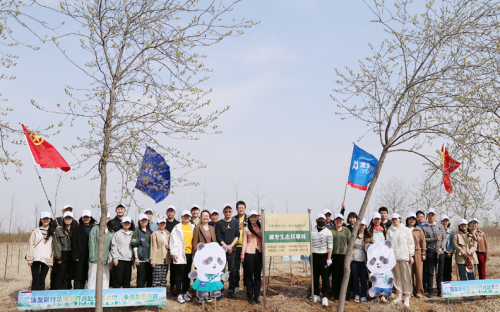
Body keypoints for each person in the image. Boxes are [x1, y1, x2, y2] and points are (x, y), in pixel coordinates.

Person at [386, 213, 414, 307]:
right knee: (396, 276)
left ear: (400, 219)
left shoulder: (405, 230)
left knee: (406, 276)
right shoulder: (389, 231)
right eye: (393, 219)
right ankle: (399, 295)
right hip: (394, 258)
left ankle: (407, 296)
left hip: (404, 256)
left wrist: (411, 255)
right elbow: (387, 245)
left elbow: (410, 243)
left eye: (396, 219)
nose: (394, 221)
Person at [215, 204, 240, 300]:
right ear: (223, 212)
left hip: (233, 251)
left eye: (229, 211)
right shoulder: (220, 223)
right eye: (226, 211)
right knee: (221, 272)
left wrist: (231, 246)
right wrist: (226, 247)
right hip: (222, 252)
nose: (227, 213)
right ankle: (221, 292)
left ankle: (231, 292)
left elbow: (237, 235)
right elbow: (218, 237)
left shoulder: (235, 222)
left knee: (232, 272)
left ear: (232, 212)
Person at [170, 210, 195, 304]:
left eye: (188, 216)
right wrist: (174, 253)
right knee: (179, 274)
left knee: (187, 274)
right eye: (184, 216)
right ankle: (179, 294)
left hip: (189, 254)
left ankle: (185, 292)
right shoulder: (177, 227)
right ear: (181, 217)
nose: (186, 217)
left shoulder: (193, 227)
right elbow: (173, 241)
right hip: (180, 253)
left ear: (190, 217)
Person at [27, 212, 56, 290]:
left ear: (50, 219)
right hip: (35, 257)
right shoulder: (36, 231)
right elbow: (31, 245)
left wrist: (51, 260)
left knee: (42, 280)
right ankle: (34, 297)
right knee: (35, 279)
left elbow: (53, 248)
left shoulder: (53, 232)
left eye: (47, 218)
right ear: (41, 220)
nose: (45, 220)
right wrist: (29, 259)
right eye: (44, 218)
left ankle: (41, 298)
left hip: (46, 258)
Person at [421, 208, 446, 297]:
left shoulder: (440, 226)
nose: (431, 216)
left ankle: (440, 290)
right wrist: (433, 239)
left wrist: (441, 248)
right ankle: (430, 290)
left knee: (440, 272)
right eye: (429, 215)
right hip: (430, 252)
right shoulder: (424, 227)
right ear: (427, 216)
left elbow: (444, 238)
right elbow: (424, 240)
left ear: (435, 216)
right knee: (430, 272)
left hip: (440, 252)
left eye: (433, 215)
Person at [241, 210, 265, 305]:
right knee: (249, 275)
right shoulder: (246, 229)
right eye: (252, 217)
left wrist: (261, 218)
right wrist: (242, 255)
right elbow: (244, 242)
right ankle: (250, 296)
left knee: (258, 275)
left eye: (255, 217)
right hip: (249, 253)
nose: (253, 219)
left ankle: (257, 296)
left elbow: (265, 231)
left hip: (259, 252)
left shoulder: (261, 227)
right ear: (249, 218)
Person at [87, 212, 114, 289]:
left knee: (105, 278)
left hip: (106, 260)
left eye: (107, 218)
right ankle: (91, 295)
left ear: (109, 219)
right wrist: (92, 257)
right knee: (93, 277)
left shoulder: (111, 231)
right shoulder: (95, 229)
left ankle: (104, 294)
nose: (105, 219)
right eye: (102, 218)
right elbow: (92, 244)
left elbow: (112, 246)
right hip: (95, 259)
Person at [454, 218, 478, 300]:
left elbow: (475, 245)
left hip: (472, 258)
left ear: (467, 225)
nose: (463, 226)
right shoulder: (456, 234)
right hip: (461, 258)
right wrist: (464, 253)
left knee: (472, 275)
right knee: (463, 276)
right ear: (459, 226)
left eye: (465, 224)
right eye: (462, 225)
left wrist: (469, 253)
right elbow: (456, 245)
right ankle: (465, 293)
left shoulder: (472, 234)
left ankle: (472, 294)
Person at [329, 213, 351, 301]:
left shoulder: (346, 230)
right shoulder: (331, 230)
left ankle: (346, 295)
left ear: (343, 221)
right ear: (334, 221)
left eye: (340, 220)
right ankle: (336, 294)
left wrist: (351, 255)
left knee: (345, 275)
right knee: (335, 276)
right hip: (334, 256)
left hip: (344, 256)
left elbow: (350, 244)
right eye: (337, 220)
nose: (339, 221)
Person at [72, 210, 95, 289]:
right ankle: (78, 294)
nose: (86, 219)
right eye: (84, 217)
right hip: (80, 257)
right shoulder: (77, 229)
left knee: (90, 275)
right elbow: (74, 242)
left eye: (87, 217)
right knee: (79, 276)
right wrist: (75, 256)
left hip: (91, 256)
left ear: (90, 218)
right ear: (82, 218)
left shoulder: (94, 228)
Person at [52, 211, 76, 290]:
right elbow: (57, 244)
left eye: (69, 218)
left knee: (68, 275)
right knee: (60, 275)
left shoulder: (75, 229)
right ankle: (58, 292)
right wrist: (58, 257)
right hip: (62, 254)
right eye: (66, 218)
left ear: (72, 219)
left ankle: (67, 292)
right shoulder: (59, 230)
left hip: (71, 255)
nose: (68, 220)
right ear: (63, 219)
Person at [110, 216, 134, 288]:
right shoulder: (117, 233)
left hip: (129, 260)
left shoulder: (133, 234)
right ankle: (116, 296)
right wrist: (115, 258)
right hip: (119, 259)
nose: (127, 224)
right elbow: (113, 246)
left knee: (127, 280)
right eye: (125, 222)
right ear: (121, 223)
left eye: (128, 222)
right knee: (118, 279)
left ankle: (126, 297)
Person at [406, 212, 426, 298]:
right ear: (407, 220)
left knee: (418, 273)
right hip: (407, 253)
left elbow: (423, 242)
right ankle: (409, 291)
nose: (411, 220)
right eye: (410, 219)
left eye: (413, 219)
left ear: (415, 220)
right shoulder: (404, 229)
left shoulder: (419, 229)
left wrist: (423, 253)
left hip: (417, 252)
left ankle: (419, 291)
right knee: (409, 273)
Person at [351, 218, 371, 303]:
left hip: (364, 260)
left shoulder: (368, 236)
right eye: (360, 224)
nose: (361, 226)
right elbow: (350, 247)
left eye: (363, 225)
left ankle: (363, 295)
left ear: (365, 226)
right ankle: (356, 294)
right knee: (355, 278)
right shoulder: (353, 235)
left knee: (363, 279)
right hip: (354, 258)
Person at [131, 214, 153, 288]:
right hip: (140, 259)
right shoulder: (137, 232)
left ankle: (149, 294)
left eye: (145, 220)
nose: (144, 222)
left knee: (149, 277)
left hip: (149, 259)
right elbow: (134, 245)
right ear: (139, 221)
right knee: (141, 277)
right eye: (142, 220)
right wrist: (136, 257)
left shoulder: (150, 232)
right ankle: (140, 293)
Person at [151, 218, 171, 288]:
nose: (162, 224)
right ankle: (155, 294)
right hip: (158, 259)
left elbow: (172, 245)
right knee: (156, 278)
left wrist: (169, 246)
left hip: (166, 259)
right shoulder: (155, 234)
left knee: (163, 278)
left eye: (163, 223)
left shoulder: (169, 234)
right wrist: (153, 260)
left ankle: (162, 295)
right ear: (158, 224)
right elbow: (153, 247)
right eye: (160, 223)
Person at [233, 200, 248, 293]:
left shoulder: (249, 219)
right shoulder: (233, 219)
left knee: (246, 268)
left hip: (246, 247)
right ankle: (236, 285)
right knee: (235, 269)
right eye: (239, 208)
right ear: (236, 209)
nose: (241, 209)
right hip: (236, 247)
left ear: (245, 209)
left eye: (243, 208)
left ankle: (246, 285)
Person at [165, 205, 180, 296]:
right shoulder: (163, 223)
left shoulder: (178, 224)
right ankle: (163, 286)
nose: (170, 213)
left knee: (174, 269)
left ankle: (172, 286)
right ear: (166, 213)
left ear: (175, 213)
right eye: (168, 211)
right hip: (165, 250)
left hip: (174, 250)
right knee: (164, 268)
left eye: (172, 211)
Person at [441, 215, 454, 282]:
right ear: (441, 222)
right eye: (443, 221)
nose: (445, 222)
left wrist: (451, 251)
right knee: (441, 271)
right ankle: (441, 287)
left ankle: (448, 285)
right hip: (442, 253)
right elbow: (440, 243)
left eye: (446, 221)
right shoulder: (439, 231)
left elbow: (452, 243)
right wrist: (445, 250)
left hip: (449, 255)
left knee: (448, 271)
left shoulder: (451, 232)